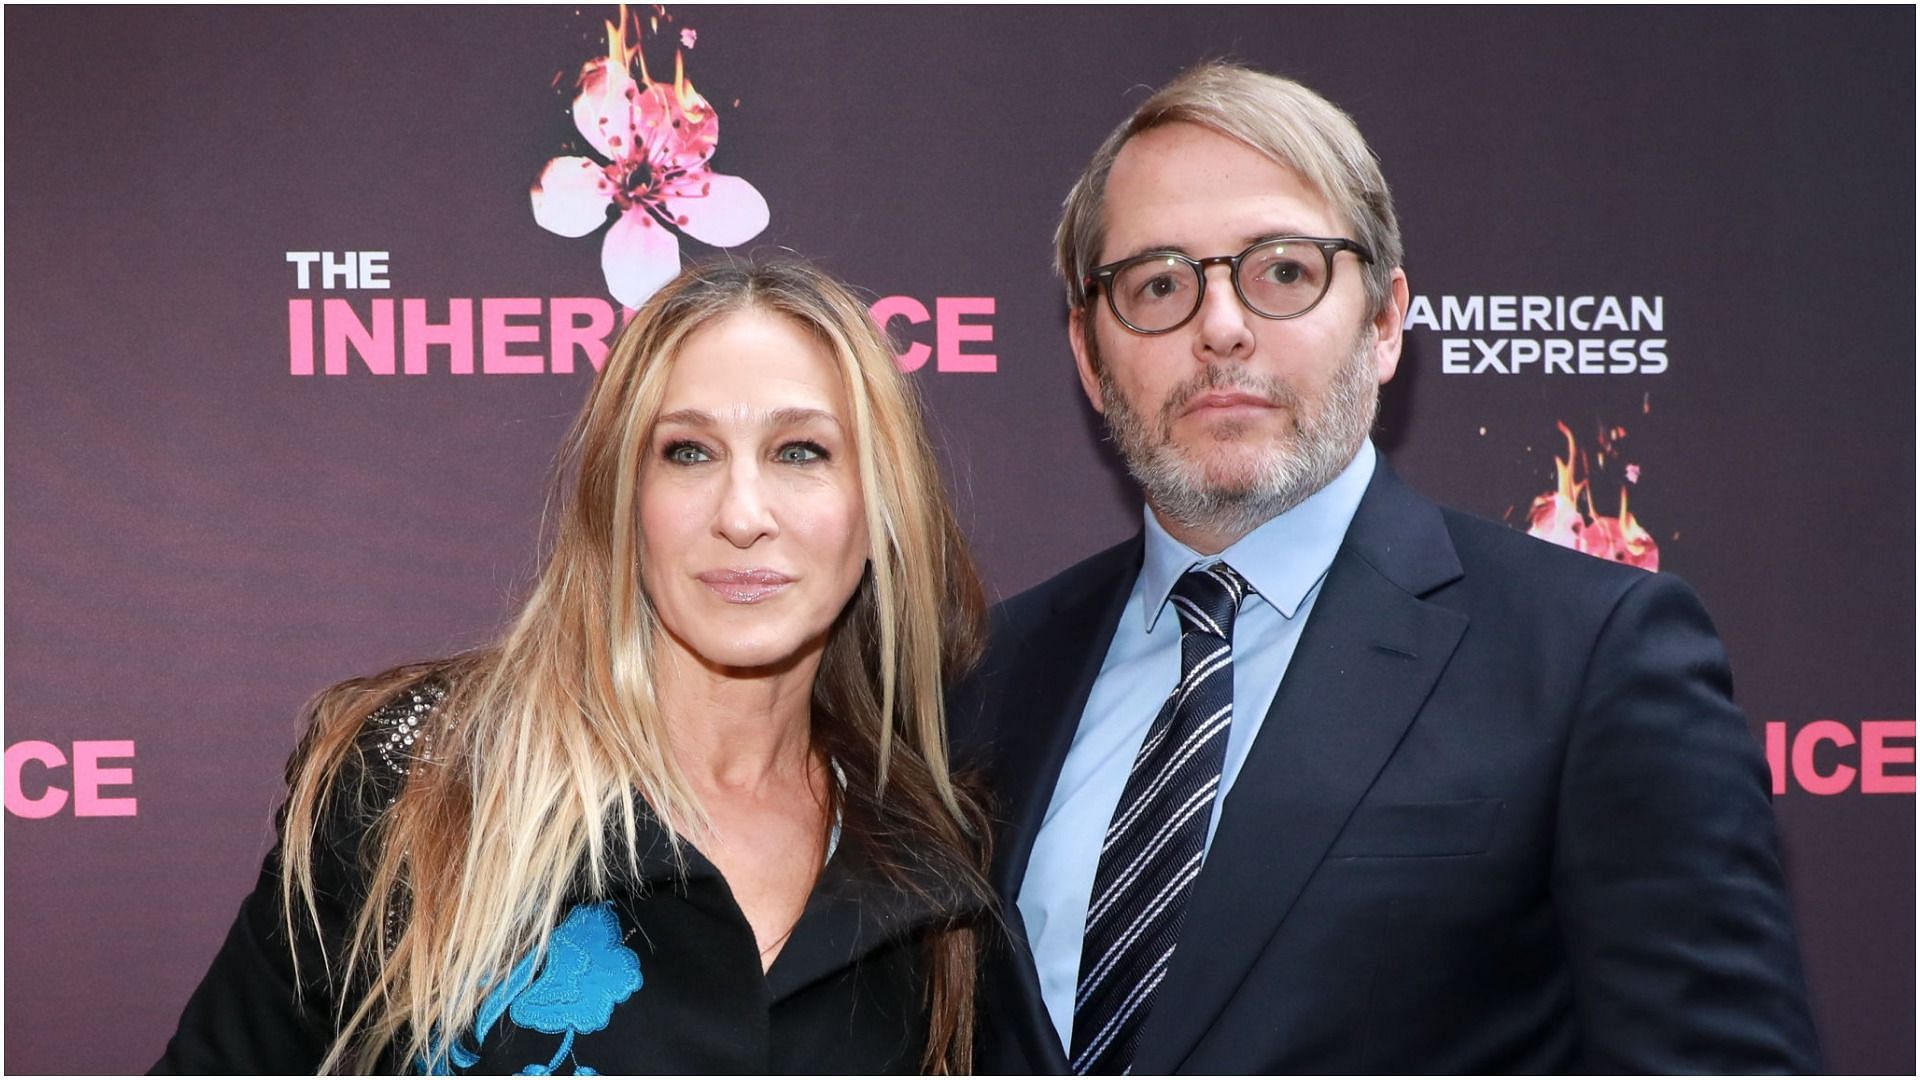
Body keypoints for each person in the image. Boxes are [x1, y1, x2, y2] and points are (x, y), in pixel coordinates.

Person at [952, 61, 1821, 1074]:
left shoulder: (1592, 660)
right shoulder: (988, 677)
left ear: (1385, 321)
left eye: (1283, 271)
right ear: (1091, 357)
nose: (1221, 326)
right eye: (1158, 284)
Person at [155, 259, 994, 1075]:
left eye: (802, 451)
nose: (743, 514)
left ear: (882, 506)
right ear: (619, 498)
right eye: (688, 452)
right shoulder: (422, 781)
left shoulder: (938, 861)